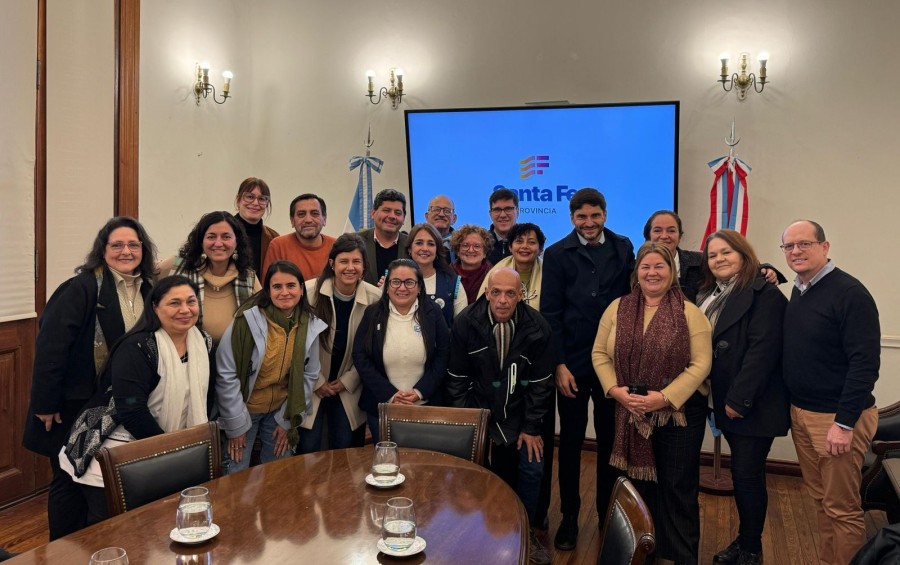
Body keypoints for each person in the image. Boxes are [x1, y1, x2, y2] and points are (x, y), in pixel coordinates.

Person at [23, 216, 156, 540]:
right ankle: (62, 554)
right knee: (69, 479)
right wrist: (45, 403)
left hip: (115, 407)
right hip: (73, 405)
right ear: (103, 249)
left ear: (143, 250)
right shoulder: (81, 288)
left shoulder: (149, 289)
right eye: (117, 245)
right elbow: (51, 348)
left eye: (133, 245)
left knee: (100, 483)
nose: (126, 251)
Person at [56, 276, 213, 534]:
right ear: (155, 307)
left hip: (161, 445)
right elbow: (131, 408)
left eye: (191, 301)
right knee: (114, 530)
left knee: (155, 527)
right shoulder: (138, 347)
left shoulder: (202, 342)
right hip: (111, 445)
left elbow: (206, 395)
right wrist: (172, 454)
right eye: (174, 303)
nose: (185, 310)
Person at [592, 242, 712, 564]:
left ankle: (681, 557)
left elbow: (701, 365)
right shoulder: (617, 308)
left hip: (675, 418)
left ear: (671, 272)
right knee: (637, 489)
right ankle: (643, 553)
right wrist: (615, 391)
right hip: (628, 412)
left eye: (659, 266)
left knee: (676, 492)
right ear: (637, 273)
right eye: (646, 267)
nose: (652, 272)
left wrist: (664, 398)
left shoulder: (690, 312)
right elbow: (600, 353)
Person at [781, 220, 880, 565]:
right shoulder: (801, 288)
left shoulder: (849, 293)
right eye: (789, 246)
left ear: (825, 247)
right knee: (822, 501)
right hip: (803, 413)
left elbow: (865, 365)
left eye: (804, 244)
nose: (796, 251)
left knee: (843, 509)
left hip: (835, 419)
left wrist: (845, 423)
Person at [540, 187, 634, 550]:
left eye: (595, 216)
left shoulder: (624, 247)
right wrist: (559, 363)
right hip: (574, 364)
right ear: (571, 218)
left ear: (605, 215)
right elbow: (550, 313)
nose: (589, 223)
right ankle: (568, 518)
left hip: (613, 363)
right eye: (582, 217)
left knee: (612, 444)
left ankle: (608, 517)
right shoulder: (557, 253)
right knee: (572, 444)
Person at [446, 267, 555, 565]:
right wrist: (471, 425)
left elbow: (541, 385)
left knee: (532, 468)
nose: (503, 300)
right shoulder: (466, 322)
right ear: (487, 293)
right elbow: (456, 379)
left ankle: (525, 532)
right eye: (497, 292)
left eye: (510, 293)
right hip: (479, 409)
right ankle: (477, 533)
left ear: (521, 295)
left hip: (521, 413)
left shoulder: (538, 327)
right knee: (478, 473)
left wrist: (532, 428)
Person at [696, 230, 789, 565]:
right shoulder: (709, 292)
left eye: (726, 252)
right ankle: (745, 541)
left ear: (743, 253)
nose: (719, 259)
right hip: (719, 399)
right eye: (712, 255)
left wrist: (738, 400)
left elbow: (762, 352)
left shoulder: (765, 293)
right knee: (743, 474)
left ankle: (751, 548)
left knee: (747, 477)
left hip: (749, 405)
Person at [216, 261, 328, 473]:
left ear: (302, 289)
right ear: (268, 290)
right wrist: (236, 426)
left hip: (281, 410)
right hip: (244, 410)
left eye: (291, 285)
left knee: (279, 475)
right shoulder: (246, 321)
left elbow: (309, 375)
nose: (285, 292)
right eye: (277, 287)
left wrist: (289, 420)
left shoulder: (310, 325)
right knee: (236, 475)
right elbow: (226, 375)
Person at [298, 234, 382, 453]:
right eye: (344, 261)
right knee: (308, 448)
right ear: (332, 264)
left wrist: (348, 380)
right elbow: (296, 344)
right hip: (311, 384)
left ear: (364, 266)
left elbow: (374, 350)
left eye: (356, 262)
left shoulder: (376, 298)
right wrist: (318, 382)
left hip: (349, 385)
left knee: (345, 451)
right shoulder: (308, 293)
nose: (350, 268)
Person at [352, 259, 450, 443]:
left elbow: (443, 354)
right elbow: (360, 355)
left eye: (409, 282)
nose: (402, 288)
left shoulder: (433, 312)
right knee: (387, 463)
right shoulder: (373, 313)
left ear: (419, 286)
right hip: (382, 407)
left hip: (424, 406)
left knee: (423, 464)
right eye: (396, 282)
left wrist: (419, 392)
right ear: (387, 286)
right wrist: (390, 394)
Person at [157, 211, 260, 344]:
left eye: (226, 237)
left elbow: (263, 318)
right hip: (186, 355)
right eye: (211, 237)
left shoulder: (248, 278)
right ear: (201, 241)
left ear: (237, 242)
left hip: (233, 359)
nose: (218, 243)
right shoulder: (177, 266)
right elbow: (145, 279)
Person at [644, 210, 784, 302]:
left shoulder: (699, 261)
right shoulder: (634, 268)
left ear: (679, 235)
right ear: (648, 235)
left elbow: (736, 267)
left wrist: (765, 268)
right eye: (657, 230)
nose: (664, 236)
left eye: (671, 230)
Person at [406, 223, 467, 326]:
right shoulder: (394, 280)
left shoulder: (453, 283)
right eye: (419, 243)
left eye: (431, 244)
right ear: (409, 249)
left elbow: (461, 327)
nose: (425, 248)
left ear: (437, 250)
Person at [263, 193, 335, 280]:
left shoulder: (336, 246)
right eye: (301, 214)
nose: (308, 220)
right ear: (292, 221)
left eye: (314, 213)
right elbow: (269, 288)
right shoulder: (278, 246)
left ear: (324, 219)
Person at [479, 222, 545, 310]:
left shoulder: (549, 272)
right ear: (510, 247)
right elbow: (482, 308)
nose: (524, 246)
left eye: (531, 242)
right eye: (519, 241)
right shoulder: (497, 271)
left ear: (540, 249)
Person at [359, 189, 409, 285]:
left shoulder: (412, 244)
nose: (392, 216)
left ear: (403, 219)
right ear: (373, 213)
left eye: (398, 213)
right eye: (386, 210)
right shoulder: (355, 242)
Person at [234, 177, 279, 276]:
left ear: (267, 204)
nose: (255, 203)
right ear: (238, 200)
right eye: (249, 197)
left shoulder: (274, 238)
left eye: (262, 199)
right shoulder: (221, 233)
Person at [450, 224, 494, 304]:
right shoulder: (446, 275)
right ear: (457, 251)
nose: (471, 250)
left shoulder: (494, 276)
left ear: (485, 252)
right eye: (465, 245)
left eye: (477, 246)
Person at [486, 188, 519, 265]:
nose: (503, 215)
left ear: (517, 211)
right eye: (497, 210)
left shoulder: (529, 244)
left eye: (508, 209)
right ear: (490, 214)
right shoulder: (480, 244)